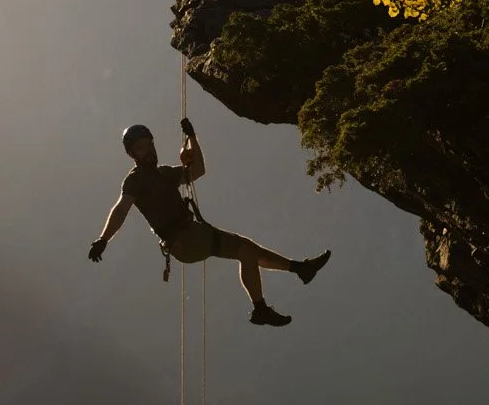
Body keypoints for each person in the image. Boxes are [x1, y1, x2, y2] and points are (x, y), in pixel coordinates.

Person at [87, 120, 329, 327]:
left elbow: (198, 170)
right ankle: (272, 298)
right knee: (244, 250)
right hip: (184, 240)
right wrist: (103, 239)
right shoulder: (135, 180)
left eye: (149, 144)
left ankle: (294, 275)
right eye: (140, 149)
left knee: (246, 251)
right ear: (132, 155)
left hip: (191, 236)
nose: (148, 151)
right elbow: (120, 210)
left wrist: (192, 137)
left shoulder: (164, 173)